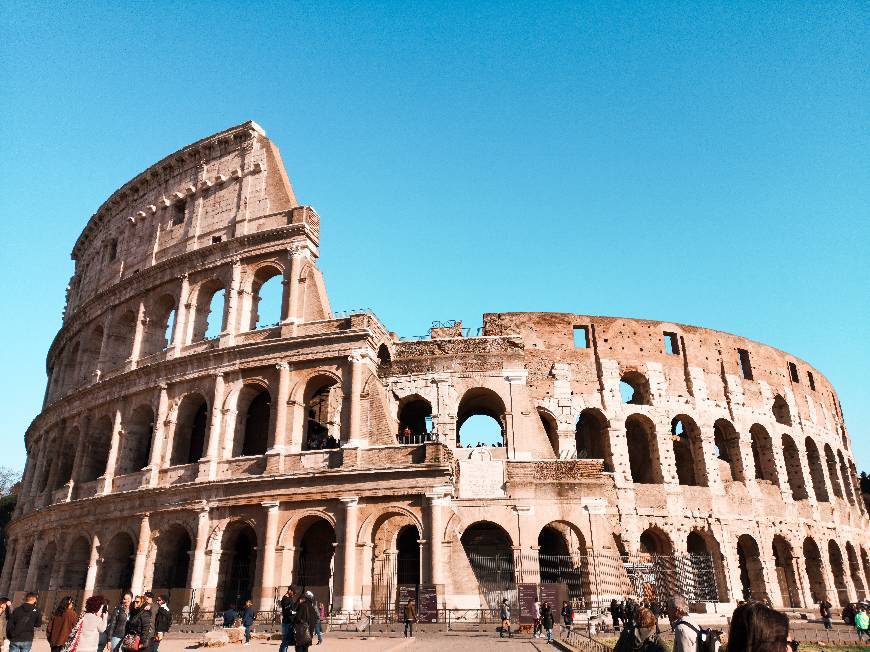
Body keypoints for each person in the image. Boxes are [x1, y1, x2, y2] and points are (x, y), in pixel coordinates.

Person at [278, 587, 298, 652]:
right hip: (287, 622)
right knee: (285, 641)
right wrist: (296, 612)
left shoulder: (289, 599)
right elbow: (289, 611)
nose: (293, 594)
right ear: (289, 591)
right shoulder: (285, 599)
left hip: (289, 622)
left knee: (287, 641)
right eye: (293, 593)